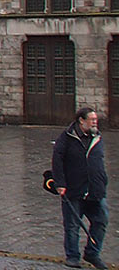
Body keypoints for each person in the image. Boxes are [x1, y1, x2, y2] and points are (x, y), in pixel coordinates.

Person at [53, 106, 109, 268]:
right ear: (81, 121)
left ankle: (92, 253)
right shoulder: (67, 137)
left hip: (95, 189)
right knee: (72, 225)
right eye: (92, 120)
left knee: (101, 220)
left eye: (95, 120)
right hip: (74, 188)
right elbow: (57, 160)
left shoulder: (97, 137)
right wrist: (60, 183)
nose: (95, 122)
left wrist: (102, 181)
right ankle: (72, 256)